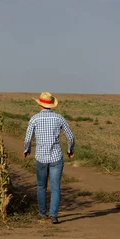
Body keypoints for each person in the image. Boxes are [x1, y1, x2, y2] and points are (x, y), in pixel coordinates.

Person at [24, 92, 75, 224]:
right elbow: (70, 136)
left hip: (41, 157)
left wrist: (27, 150)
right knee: (55, 186)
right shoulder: (59, 118)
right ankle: (54, 215)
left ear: (40, 104)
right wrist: (70, 150)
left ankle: (42, 213)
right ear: (51, 105)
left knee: (41, 186)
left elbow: (28, 138)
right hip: (56, 157)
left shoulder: (34, 119)